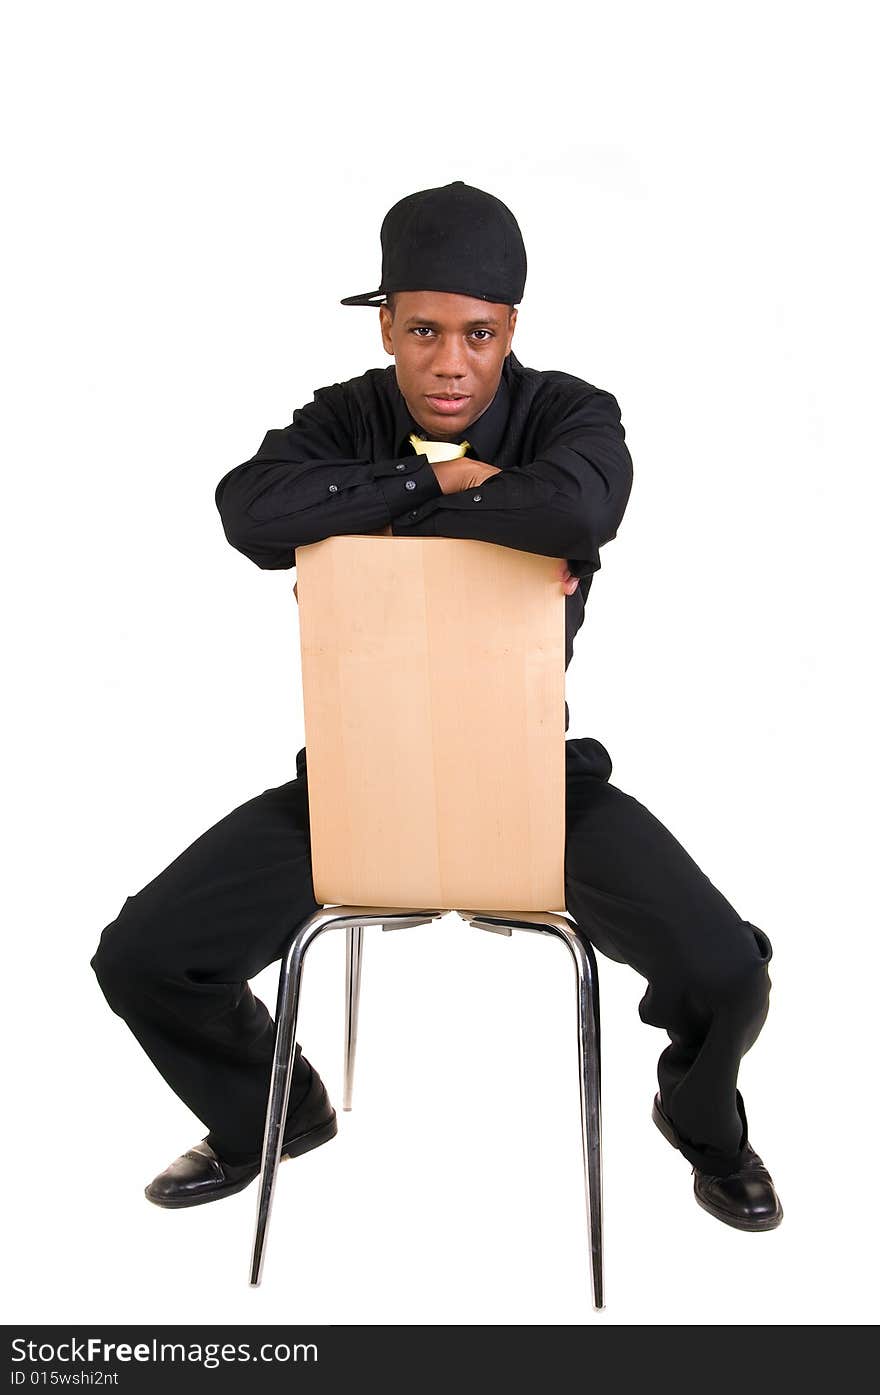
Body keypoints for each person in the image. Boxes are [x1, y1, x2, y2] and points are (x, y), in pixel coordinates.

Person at [91, 180, 782, 1232]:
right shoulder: (343, 416)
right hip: (358, 777)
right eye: (422, 330)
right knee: (140, 955)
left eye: (477, 334)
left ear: (509, 332)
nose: (449, 362)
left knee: (726, 970)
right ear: (385, 325)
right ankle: (270, 1113)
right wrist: (447, 485)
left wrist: (367, 521)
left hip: (529, 779)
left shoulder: (570, 414)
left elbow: (584, 501)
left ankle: (706, 1130)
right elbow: (251, 510)